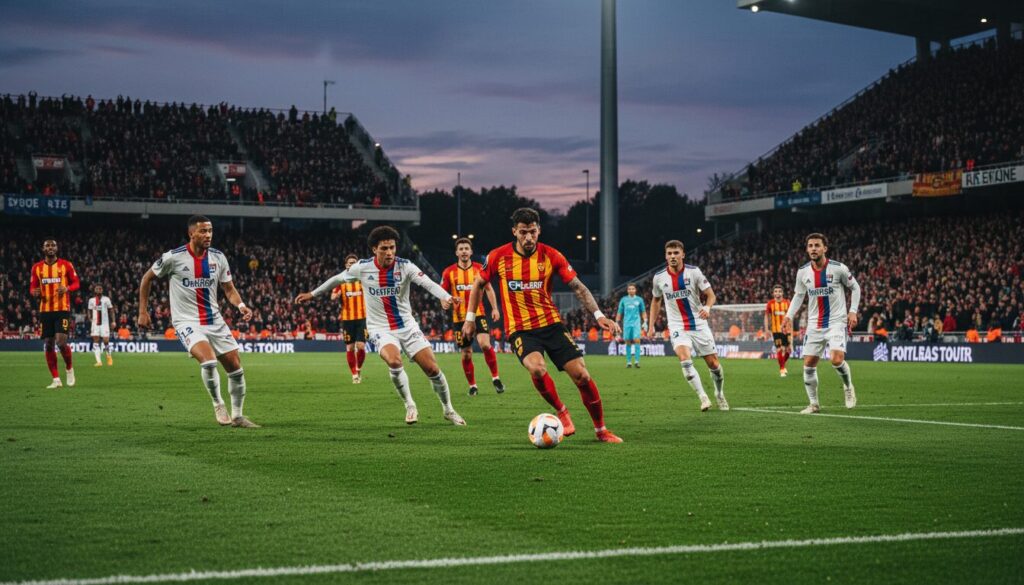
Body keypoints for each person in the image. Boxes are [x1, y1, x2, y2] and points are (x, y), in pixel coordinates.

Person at [462, 208, 623, 443]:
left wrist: (599, 315)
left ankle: (601, 431)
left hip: (551, 324)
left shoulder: (551, 255)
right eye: (524, 232)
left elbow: (578, 287)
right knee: (537, 368)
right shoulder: (499, 256)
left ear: (539, 231)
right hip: (520, 329)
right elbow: (478, 285)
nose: (529, 237)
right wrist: (469, 319)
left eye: (533, 232)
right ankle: (561, 411)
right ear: (515, 231)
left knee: (582, 376)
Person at [296, 226, 466, 426]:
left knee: (433, 369)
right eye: (384, 248)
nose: (390, 252)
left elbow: (428, 283)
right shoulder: (362, 267)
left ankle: (448, 409)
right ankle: (410, 405)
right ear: (374, 249)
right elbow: (337, 279)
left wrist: (446, 297)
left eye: (392, 248)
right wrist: (312, 294)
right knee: (394, 361)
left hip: (407, 327)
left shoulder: (406, 266)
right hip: (380, 328)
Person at [138, 215, 259, 428]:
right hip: (186, 321)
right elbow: (146, 278)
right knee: (209, 362)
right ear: (191, 233)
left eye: (210, 231)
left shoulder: (218, 258)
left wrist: (241, 306)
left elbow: (229, 289)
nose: (208, 235)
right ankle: (218, 403)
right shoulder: (173, 257)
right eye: (203, 231)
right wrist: (143, 311)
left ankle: (238, 417)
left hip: (215, 320)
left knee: (236, 369)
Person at [782, 232, 861, 414]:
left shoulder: (838, 268)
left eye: (817, 245)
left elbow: (855, 287)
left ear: (825, 248)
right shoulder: (803, 272)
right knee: (809, 365)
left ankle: (848, 387)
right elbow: (799, 295)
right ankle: (814, 404)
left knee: (836, 359)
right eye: (810, 246)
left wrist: (853, 311)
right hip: (814, 324)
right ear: (807, 249)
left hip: (836, 322)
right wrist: (788, 316)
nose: (813, 249)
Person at [647, 240, 729, 412]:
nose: (672, 256)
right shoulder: (659, 277)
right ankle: (703, 397)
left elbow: (711, 295)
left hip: (698, 324)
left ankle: (719, 393)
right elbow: (656, 301)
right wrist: (651, 325)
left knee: (714, 364)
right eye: (669, 253)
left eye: (676, 253)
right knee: (684, 358)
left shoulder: (694, 272)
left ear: (683, 254)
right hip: (677, 326)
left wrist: (707, 307)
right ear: (665, 256)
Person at [440, 237, 505, 396]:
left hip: (479, 314)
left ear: (471, 252)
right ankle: (473, 386)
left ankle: (495, 378)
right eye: (460, 249)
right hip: (459, 318)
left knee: (484, 344)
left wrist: (495, 308)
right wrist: (445, 303)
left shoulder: (479, 269)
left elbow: (489, 289)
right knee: (466, 353)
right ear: (456, 252)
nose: (463, 251)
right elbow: (442, 293)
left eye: (466, 249)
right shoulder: (449, 272)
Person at [29, 238, 80, 388]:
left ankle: (69, 368)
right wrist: (35, 292)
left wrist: (67, 288)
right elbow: (32, 288)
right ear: (43, 249)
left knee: (61, 342)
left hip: (62, 309)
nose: (50, 247)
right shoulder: (36, 268)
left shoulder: (66, 265)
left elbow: (76, 283)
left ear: (57, 248)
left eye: (53, 245)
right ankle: (56, 379)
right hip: (45, 310)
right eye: (47, 246)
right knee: (49, 344)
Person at [330, 254, 368, 384]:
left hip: (362, 317)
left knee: (361, 346)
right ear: (346, 265)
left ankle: (359, 368)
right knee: (350, 348)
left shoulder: (363, 279)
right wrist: (337, 294)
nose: (351, 264)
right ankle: (354, 374)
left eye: (354, 262)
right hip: (347, 319)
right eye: (349, 262)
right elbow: (332, 297)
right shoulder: (342, 281)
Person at [615, 283, 647, 368]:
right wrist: (617, 322)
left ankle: (637, 361)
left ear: (635, 290)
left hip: (636, 323)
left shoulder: (639, 300)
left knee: (637, 340)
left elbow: (643, 311)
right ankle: (629, 362)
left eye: (633, 289)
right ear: (627, 290)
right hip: (626, 323)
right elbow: (619, 312)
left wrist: (645, 321)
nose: (631, 290)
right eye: (629, 289)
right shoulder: (624, 300)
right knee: (628, 341)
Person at [764, 284, 791, 377]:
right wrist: (766, 329)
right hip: (776, 331)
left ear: (782, 293)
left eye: (779, 291)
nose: (777, 293)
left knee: (788, 350)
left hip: (786, 330)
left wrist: (791, 329)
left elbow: (790, 317)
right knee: (780, 349)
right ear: (773, 293)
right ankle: (782, 369)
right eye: (776, 291)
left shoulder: (787, 303)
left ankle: (782, 364)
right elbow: (766, 317)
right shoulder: (770, 304)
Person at [87, 283, 115, 367]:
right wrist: (89, 318)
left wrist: (113, 321)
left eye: (100, 289)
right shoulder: (91, 300)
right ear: (94, 290)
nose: (99, 290)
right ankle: (99, 361)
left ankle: (108, 355)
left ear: (102, 290)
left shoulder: (106, 299)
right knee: (96, 341)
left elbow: (111, 310)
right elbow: (89, 310)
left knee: (106, 341)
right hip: (95, 323)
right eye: (97, 289)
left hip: (105, 323)